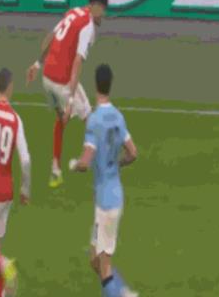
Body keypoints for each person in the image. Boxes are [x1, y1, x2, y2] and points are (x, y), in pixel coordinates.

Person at [25, 0, 108, 188]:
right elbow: (78, 61)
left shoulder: (73, 12)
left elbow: (50, 37)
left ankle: (55, 171)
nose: (104, 14)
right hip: (62, 81)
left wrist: (37, 64)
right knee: (89, 118)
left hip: (47, 78)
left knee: (61, 120)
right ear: (96, 6)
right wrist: (70, 99)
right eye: (103, 9)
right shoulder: (87, 25)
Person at [69, 64, 138, 297]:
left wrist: (75, 164)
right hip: (112, 196)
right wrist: (117, 164)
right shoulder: (118, 117)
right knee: (94, 260)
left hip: (107, 204)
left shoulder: (95, 120)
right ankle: (122, 291)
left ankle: (120, 294)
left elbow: (85, 161)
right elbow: (133, 153)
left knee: (104, 265)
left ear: (95, 85)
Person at [0, 68, 31, 297]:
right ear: (10, 87)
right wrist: (25, 189)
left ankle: (5, 263)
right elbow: (25, 160)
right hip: (6, 192)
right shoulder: (16, 119)